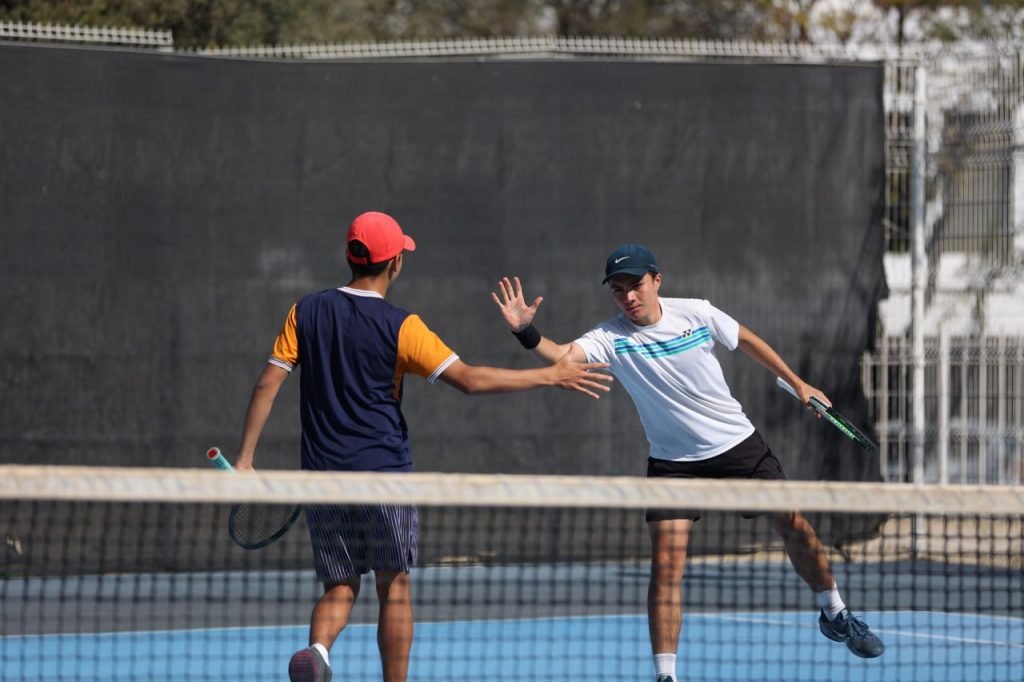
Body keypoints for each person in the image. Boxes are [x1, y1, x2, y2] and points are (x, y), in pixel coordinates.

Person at [235, 211, 613, 682]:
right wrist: (549, 374)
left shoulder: (304, 311)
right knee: (394, 587)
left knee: (339, 585)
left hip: (322, 476)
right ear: (395, 263)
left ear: (350, 257)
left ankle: (318, 649)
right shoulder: (402, 327)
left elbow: (266, 385)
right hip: (384, 476)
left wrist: (247, 461)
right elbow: (470, 381)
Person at [491, 243, 885, 682]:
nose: (628, 297)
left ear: (657, 280)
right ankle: (666, 676)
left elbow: (748, 340)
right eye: (618, 290)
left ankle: (835, 613)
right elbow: (562, 356)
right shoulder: (610, 337)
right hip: (674, 464)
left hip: (738, 445)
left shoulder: (695, 313)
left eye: (636, 285)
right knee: (666, 566)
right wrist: (526, 332)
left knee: (795, 525)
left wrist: (798, 383)